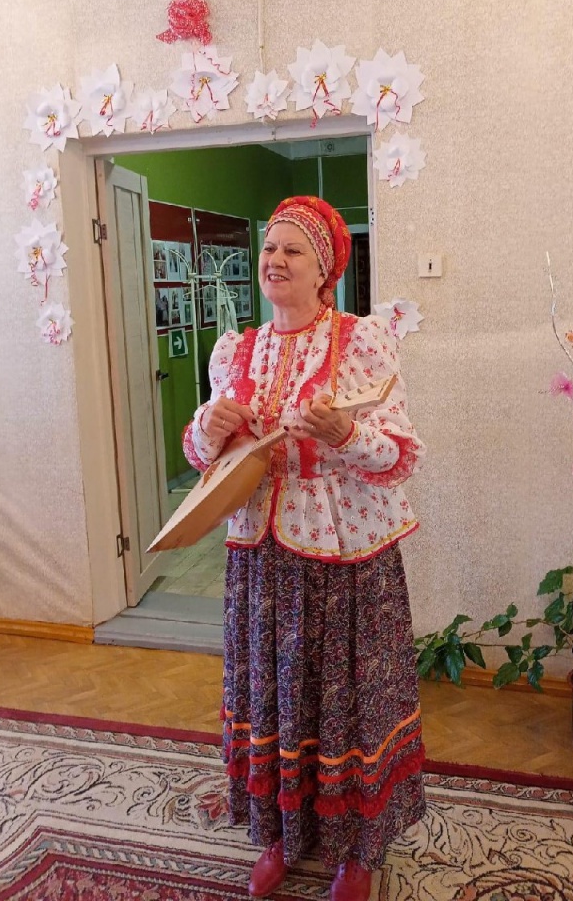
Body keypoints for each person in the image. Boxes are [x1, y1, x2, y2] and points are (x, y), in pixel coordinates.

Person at [183, 197, 426, 901]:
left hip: (346, 560)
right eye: (269, 247)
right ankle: (282, 835)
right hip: (260, 558)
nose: (275, 260)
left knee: (347, 702)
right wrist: (209, 425)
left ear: (325, 270)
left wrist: (345, 436)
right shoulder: (236, 351)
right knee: (276, 699)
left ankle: (357, 851)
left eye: (293, 250)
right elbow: (201, 457)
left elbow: (403, 455)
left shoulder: (361, 344)